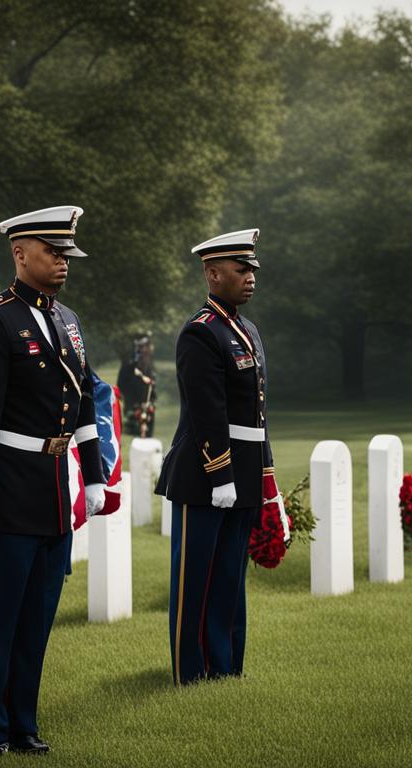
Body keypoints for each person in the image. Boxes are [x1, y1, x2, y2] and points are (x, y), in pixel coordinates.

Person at [0, 205, 107, 755]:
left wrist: (92, 477)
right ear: (20, 254)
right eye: (53, 252)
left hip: (54, 488)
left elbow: (85, 402)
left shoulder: (68, 321)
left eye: (67, 253)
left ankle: (24, 723)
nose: (64, 261)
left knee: (37, 619)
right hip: (9, 491)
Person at [155, 228, 282, 686]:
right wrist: (221, 473)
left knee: (230, 577)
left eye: (252, 269)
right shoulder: (200, 333)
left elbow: (257, 414)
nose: (250, 277)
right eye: (240, 269)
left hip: (244, 471)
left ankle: (226, 666)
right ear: (213, 274)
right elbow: (208, 412)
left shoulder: (247, 330)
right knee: (196, 579)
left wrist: (266, 481)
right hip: (203, 473)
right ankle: (191, 671)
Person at [117, 332, 158, 438]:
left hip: (148, 408)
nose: (145, 349)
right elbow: (122, 385)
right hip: (133, 410)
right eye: (142, 347)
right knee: (134, 439)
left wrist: (151, 402)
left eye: (147, 346)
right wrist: (134, 404)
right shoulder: (129, 365)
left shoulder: (149, 363)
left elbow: (152, 387)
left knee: (148, 440)